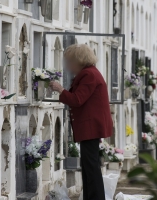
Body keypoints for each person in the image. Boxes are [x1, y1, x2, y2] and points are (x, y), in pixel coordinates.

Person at [50, 44, 113, 200]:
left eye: (70, 61)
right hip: (90, 126)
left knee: (91, 167)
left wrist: (60, 90)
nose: (68, 66)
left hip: (91, 126)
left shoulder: (88, 75)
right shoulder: (87, 73)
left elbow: (77, 99)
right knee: (89, 166)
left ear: (79, 60)